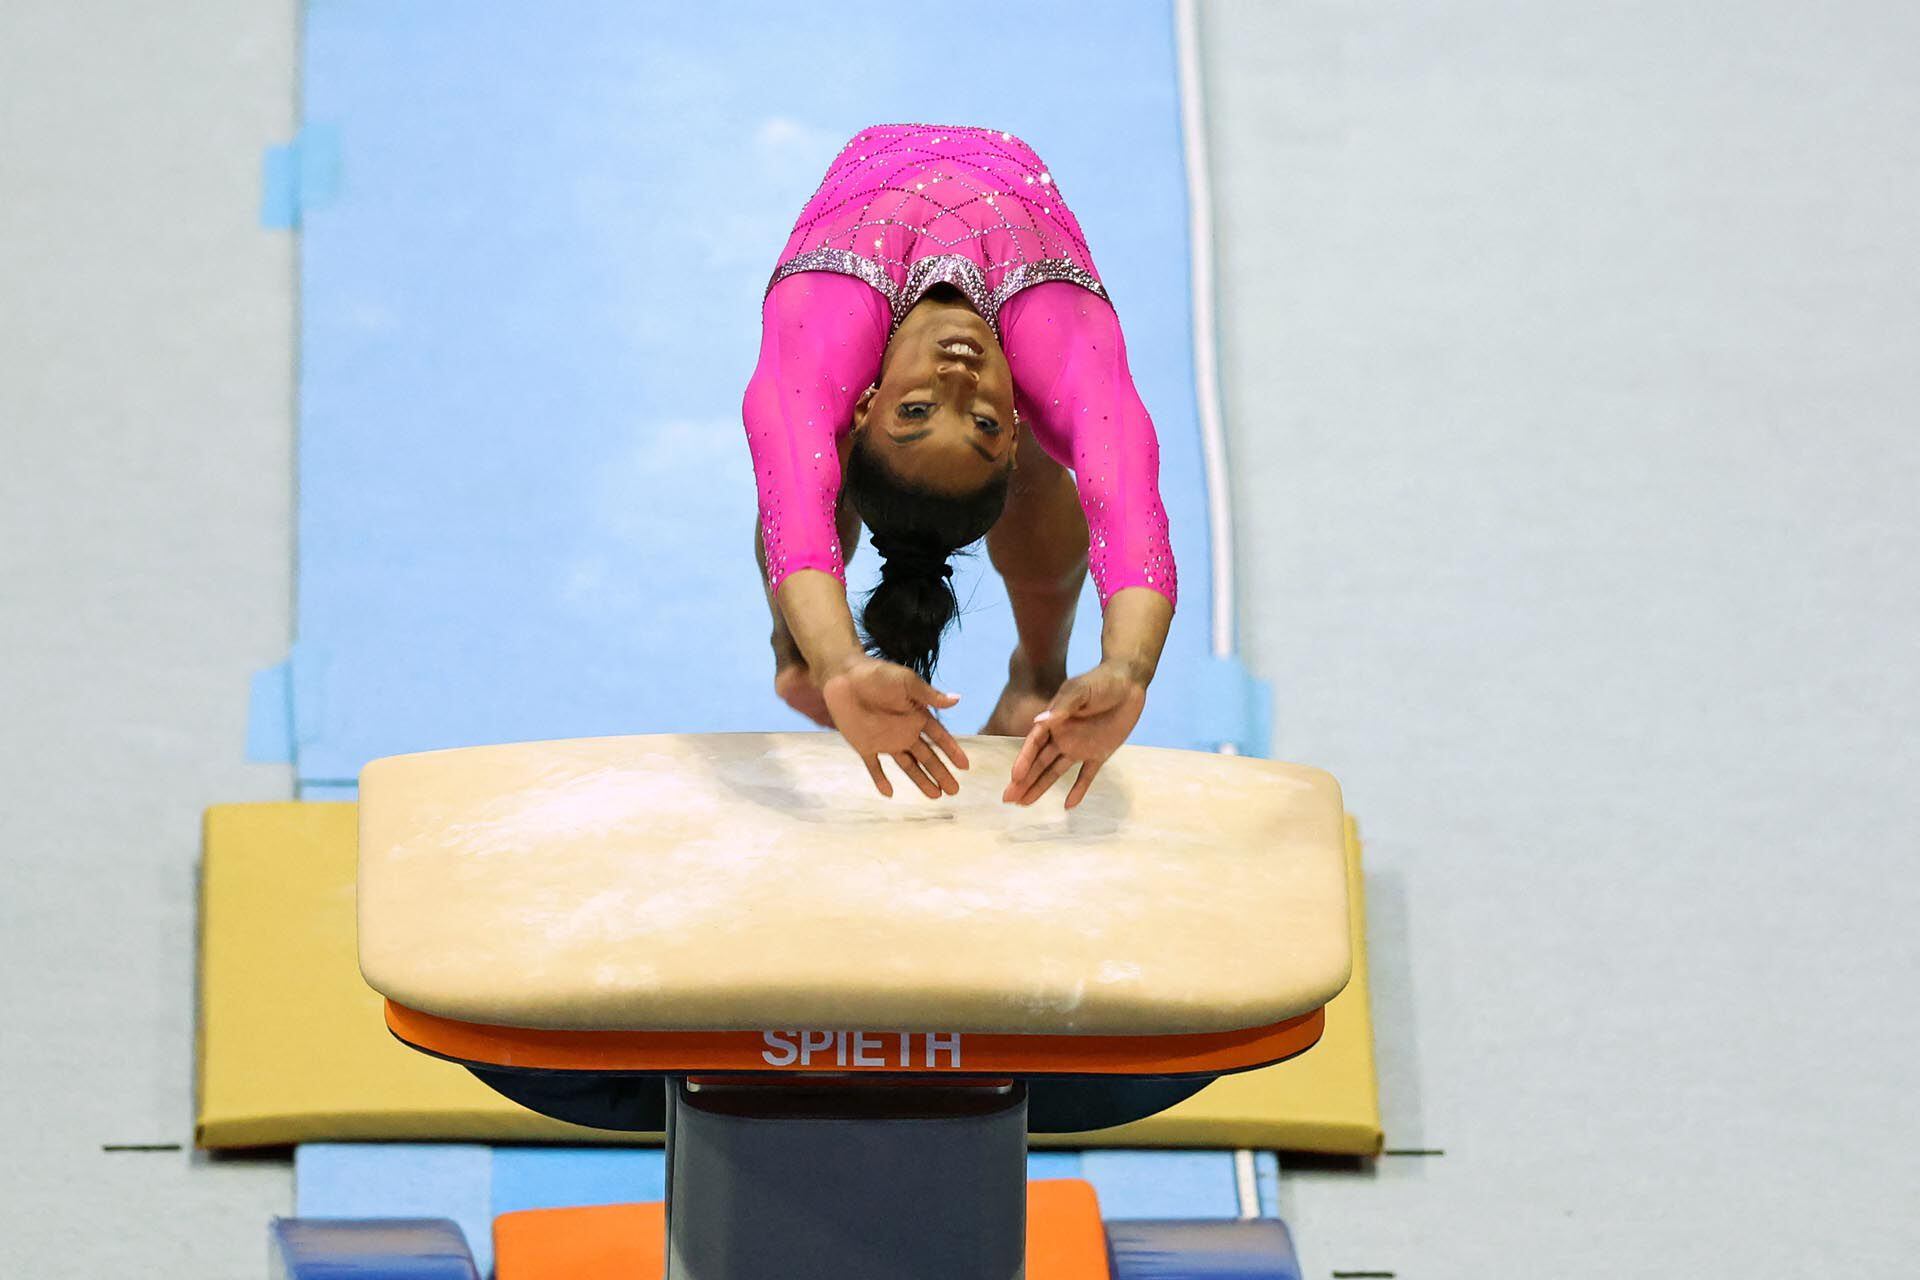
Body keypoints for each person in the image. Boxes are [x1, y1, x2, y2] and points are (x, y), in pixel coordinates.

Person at [744, 123, 1176, 808]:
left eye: (916, 410)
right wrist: (835, 662)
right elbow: (1130, 517)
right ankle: (801, 650)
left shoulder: (818, 316)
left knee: (811, 447)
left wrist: (1129, 667)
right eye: (980, 422)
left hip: (864, 282)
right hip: (1014, 302)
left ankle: (1030, 681)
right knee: (832, 462)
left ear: (872, 405)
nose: (956, 377)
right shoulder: (1062, 343)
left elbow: (793, 506)